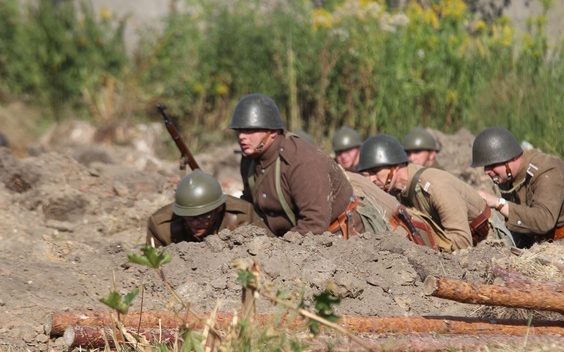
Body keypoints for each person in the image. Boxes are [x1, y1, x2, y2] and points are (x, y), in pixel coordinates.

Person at [231, 93, 362, 238]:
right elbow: (250, 205)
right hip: (288, 238)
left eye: (250, 130)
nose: (242, 136)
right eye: (239, 130)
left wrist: (278, 250)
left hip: (336, 239)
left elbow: (315, 224)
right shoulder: (250, 159)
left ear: (272, 132)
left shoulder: (301, 161)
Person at [471, 126, 564, 247]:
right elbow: (523, 225)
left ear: (510, 158)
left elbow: (544, 221)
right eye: (485, 166)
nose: (486, 171)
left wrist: (499, 203)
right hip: (555, 244)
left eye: (492, 165)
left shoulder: (546, 171)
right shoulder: (508, 178)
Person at [358, 134, 495, 252]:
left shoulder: (436, 186)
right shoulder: (396, 191)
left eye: (376, 172)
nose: (371, 179)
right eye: (366, 175)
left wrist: (422, 244)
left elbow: (462, 242)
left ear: (396, 165)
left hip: (490, 243)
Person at [146, 169, 270, 247]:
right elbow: (151, 264)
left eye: (203, 216)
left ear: (219, 208)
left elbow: (272, 248)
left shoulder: (243, 215)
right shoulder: (161, 225)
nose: (195, 222)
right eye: (188, 217)